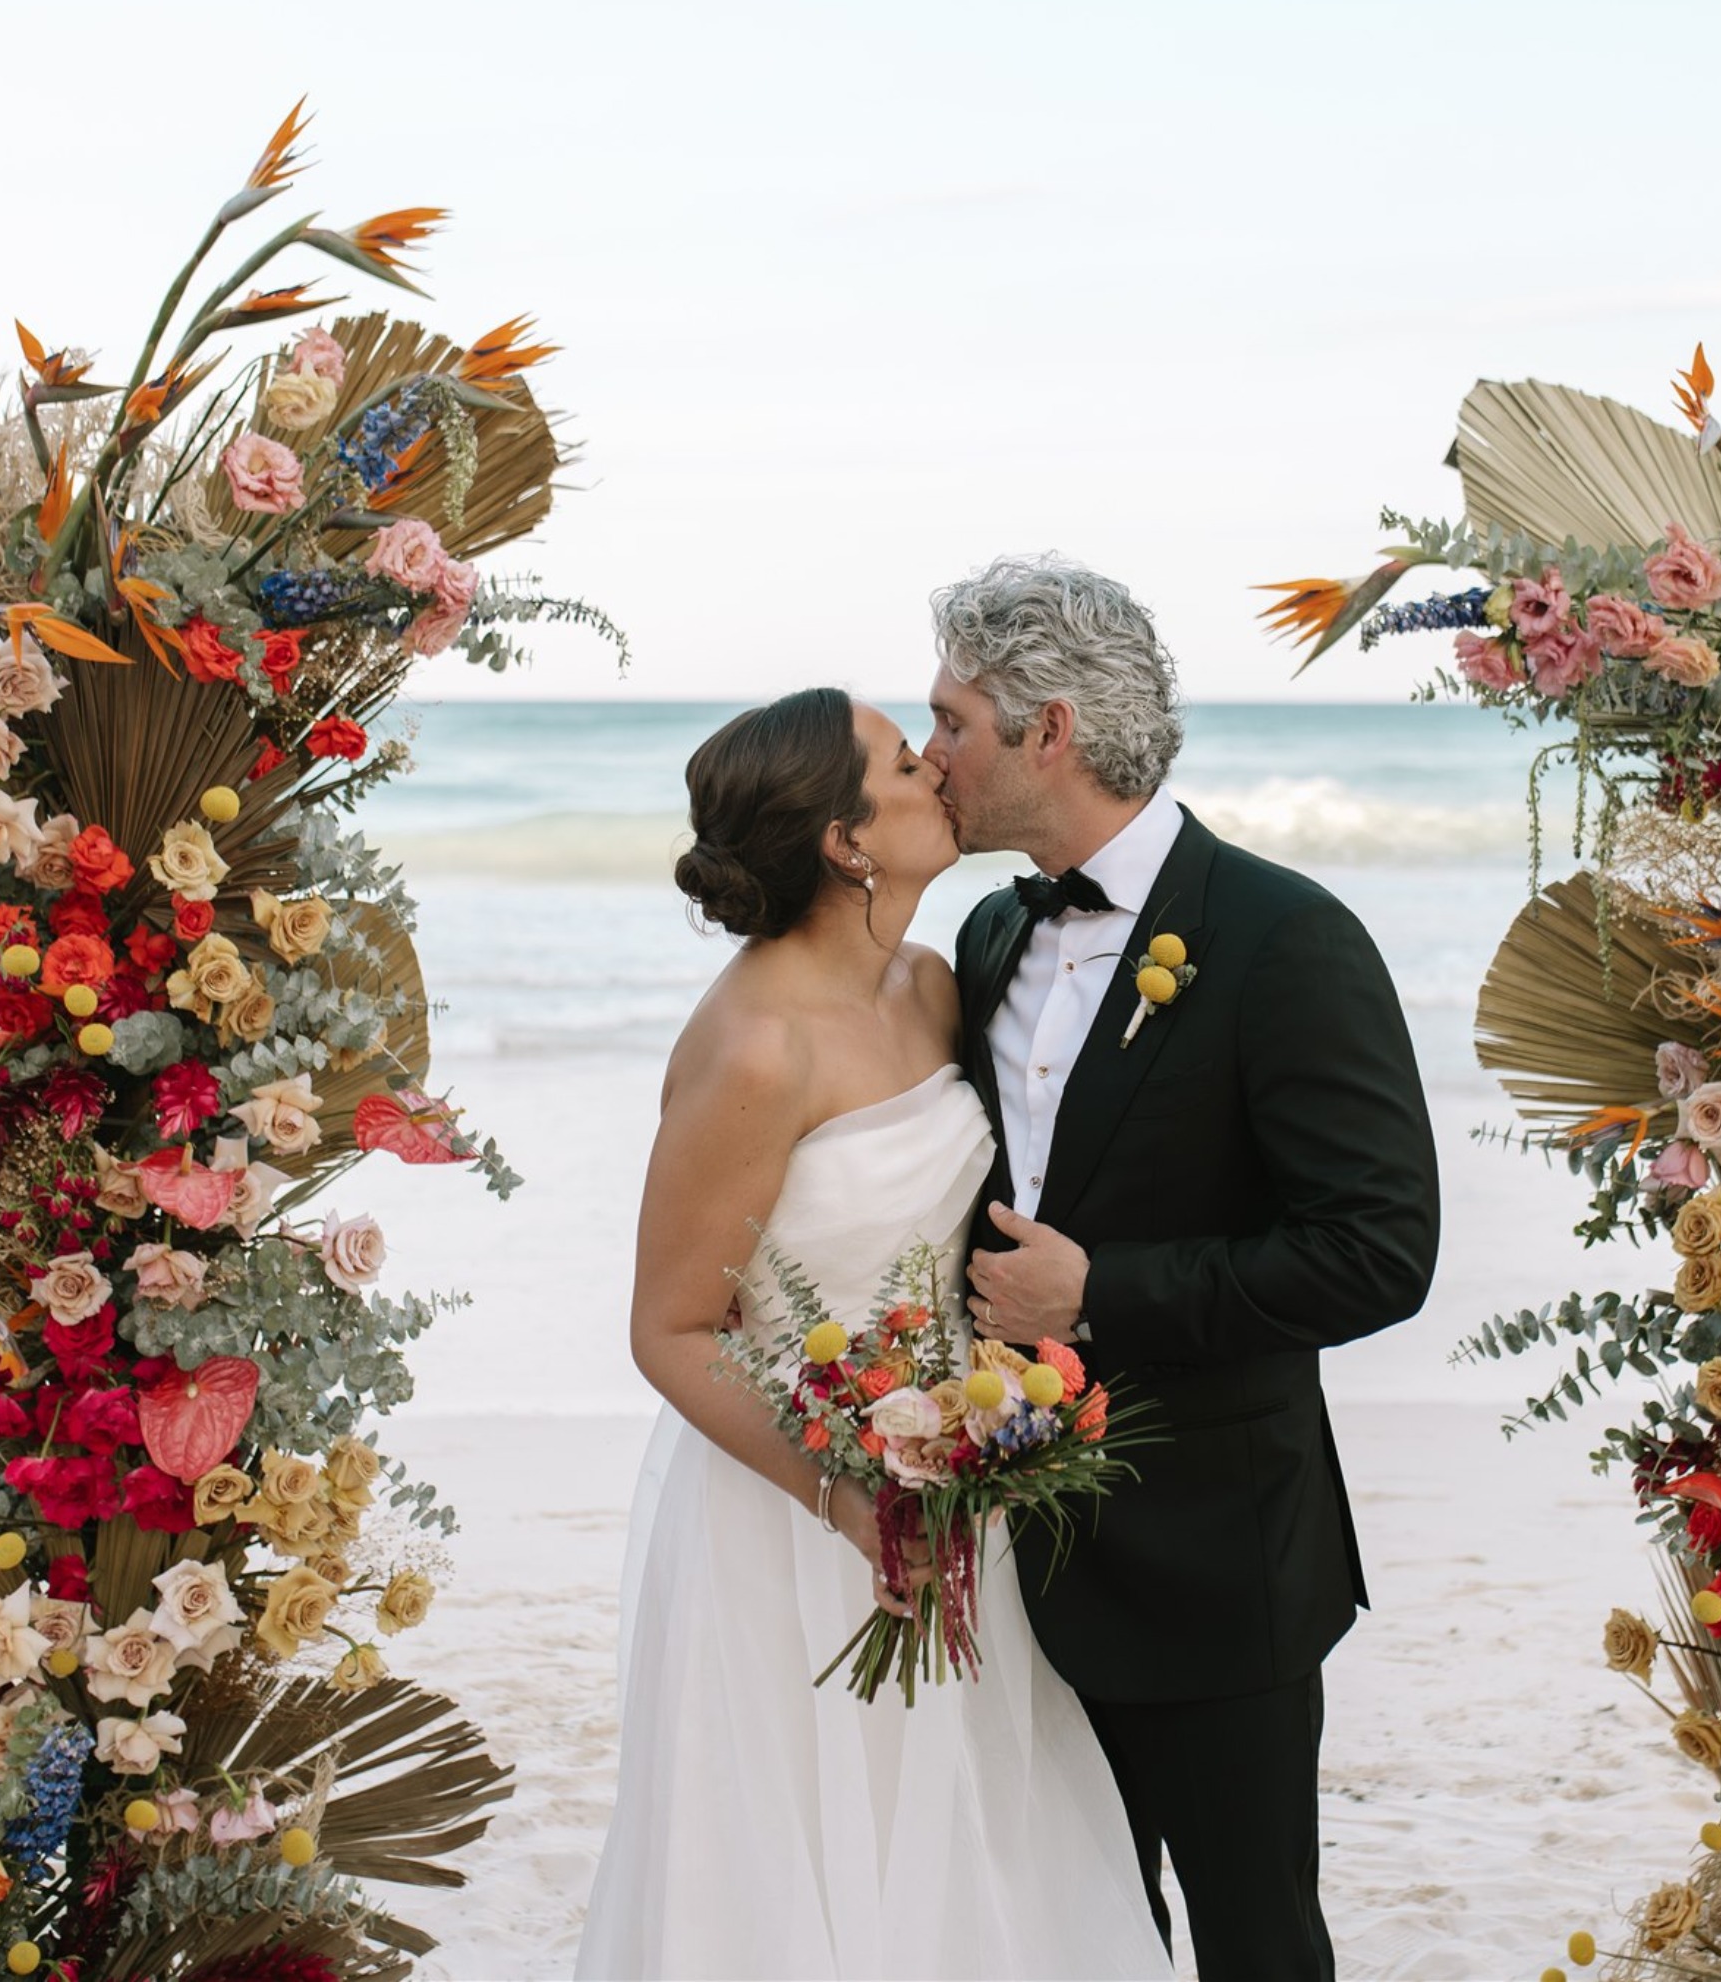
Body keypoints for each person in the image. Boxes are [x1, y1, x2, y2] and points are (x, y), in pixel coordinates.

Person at [576, 686, 1171, 1979]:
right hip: (791, 1512)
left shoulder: (934, 987)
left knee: (979, 1850)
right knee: (791, 1874)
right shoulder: (754, 1050)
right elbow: (670, 1329)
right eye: (908, 761)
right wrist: (845, 1493)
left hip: (956, 1491)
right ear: (848, 841)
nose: (941, 768)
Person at [928, 555, 1442, 1981]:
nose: (929, 756)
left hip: (1220, 1559)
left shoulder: (1286, 940)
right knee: (1074, 1936)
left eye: (954, 721)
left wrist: (1101, 1296)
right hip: (1020, 1550)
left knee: (1254, 1944)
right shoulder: (986, 933)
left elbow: (1380, 1253)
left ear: (1050, 733)